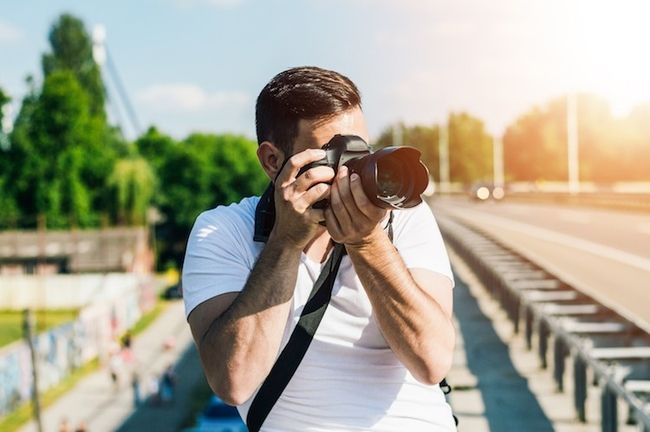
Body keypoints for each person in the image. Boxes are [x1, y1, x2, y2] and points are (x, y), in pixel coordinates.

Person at [182, 66, 457, 431]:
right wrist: (284, 242)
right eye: (334, 156)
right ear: (272, 160)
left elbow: (432, 360)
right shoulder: (223, 230)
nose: (352, 174)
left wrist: (368, 242)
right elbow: (233, 380)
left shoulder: (403, 217)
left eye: (361, 154)